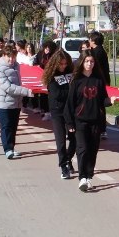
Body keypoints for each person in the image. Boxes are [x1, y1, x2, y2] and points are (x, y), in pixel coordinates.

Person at [66, 50, 110, 192]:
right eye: (87, 61)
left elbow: (103, 99)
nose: (89, 64)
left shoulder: (98, 80)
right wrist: (70, 122)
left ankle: (89, 176)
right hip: (80, 121)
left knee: (93, 150)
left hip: (95, 120)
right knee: (82, 148)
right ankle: (82, 178)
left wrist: (110, 101)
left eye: (91, 61)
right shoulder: (76, 80)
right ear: (82, 62)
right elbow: (70, 103)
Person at [0, 43, 34, 159]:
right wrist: (26, 91)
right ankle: (7, 149)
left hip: (15, 102)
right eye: (8, 56)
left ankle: (11, 147)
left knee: (13, 126)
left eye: (13, 56)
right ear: (4, 55)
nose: (11, 59)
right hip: (3, 102)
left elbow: (18, 83)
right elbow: (8, 87)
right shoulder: (0, 68)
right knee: (6, 126)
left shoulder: (16, 66)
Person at [41, 48, 77, 180]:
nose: (63, 66)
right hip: (57, 111)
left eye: (65, 64)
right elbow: (57, 94)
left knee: (74, 138)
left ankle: (68, 159)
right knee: (60, 140)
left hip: (71, 111)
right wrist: (70, 92)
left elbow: (75, 88)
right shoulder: (51, 76)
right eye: (60, 64)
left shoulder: (70, 73)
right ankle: (63, 166)